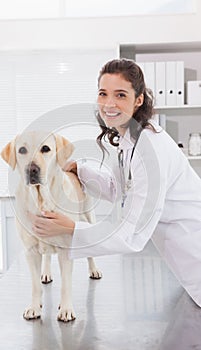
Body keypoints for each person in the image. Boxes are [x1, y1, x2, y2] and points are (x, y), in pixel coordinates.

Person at [29, 58, 201, 306]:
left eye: (120, 95)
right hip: (187, 263)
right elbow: (118, 189)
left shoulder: (150, 147)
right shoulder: (130, 140)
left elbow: (133, 233)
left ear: (138, 99)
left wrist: (71, 228)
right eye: (103, 93)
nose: (109, 104)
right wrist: (81, 169)